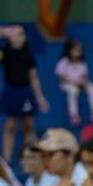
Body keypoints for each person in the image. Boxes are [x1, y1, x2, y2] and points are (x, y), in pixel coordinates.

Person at [1, 25, 49, 162]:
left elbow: (33, 78)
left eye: (21, 34)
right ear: (9, 38)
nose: (18, 37)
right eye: (14, 34)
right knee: (10, 126)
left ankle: (30, 157)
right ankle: (6, 159)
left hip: (26, 93)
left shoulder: (28, 55)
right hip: (11, 93)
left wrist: (40, 98)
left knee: (28, 126)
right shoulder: (5, 52)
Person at [55, 38, 93, 127]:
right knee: (73, 90)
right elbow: (62, 78)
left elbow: (84, 77)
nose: (78, 52)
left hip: (80, 84)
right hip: (67, 84)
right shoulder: (63, 62)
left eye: (80, 50)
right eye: (76, 50)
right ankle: (74, 115)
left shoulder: (82, 63)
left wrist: (84, 83)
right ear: (69, 50)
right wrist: (74, 82)